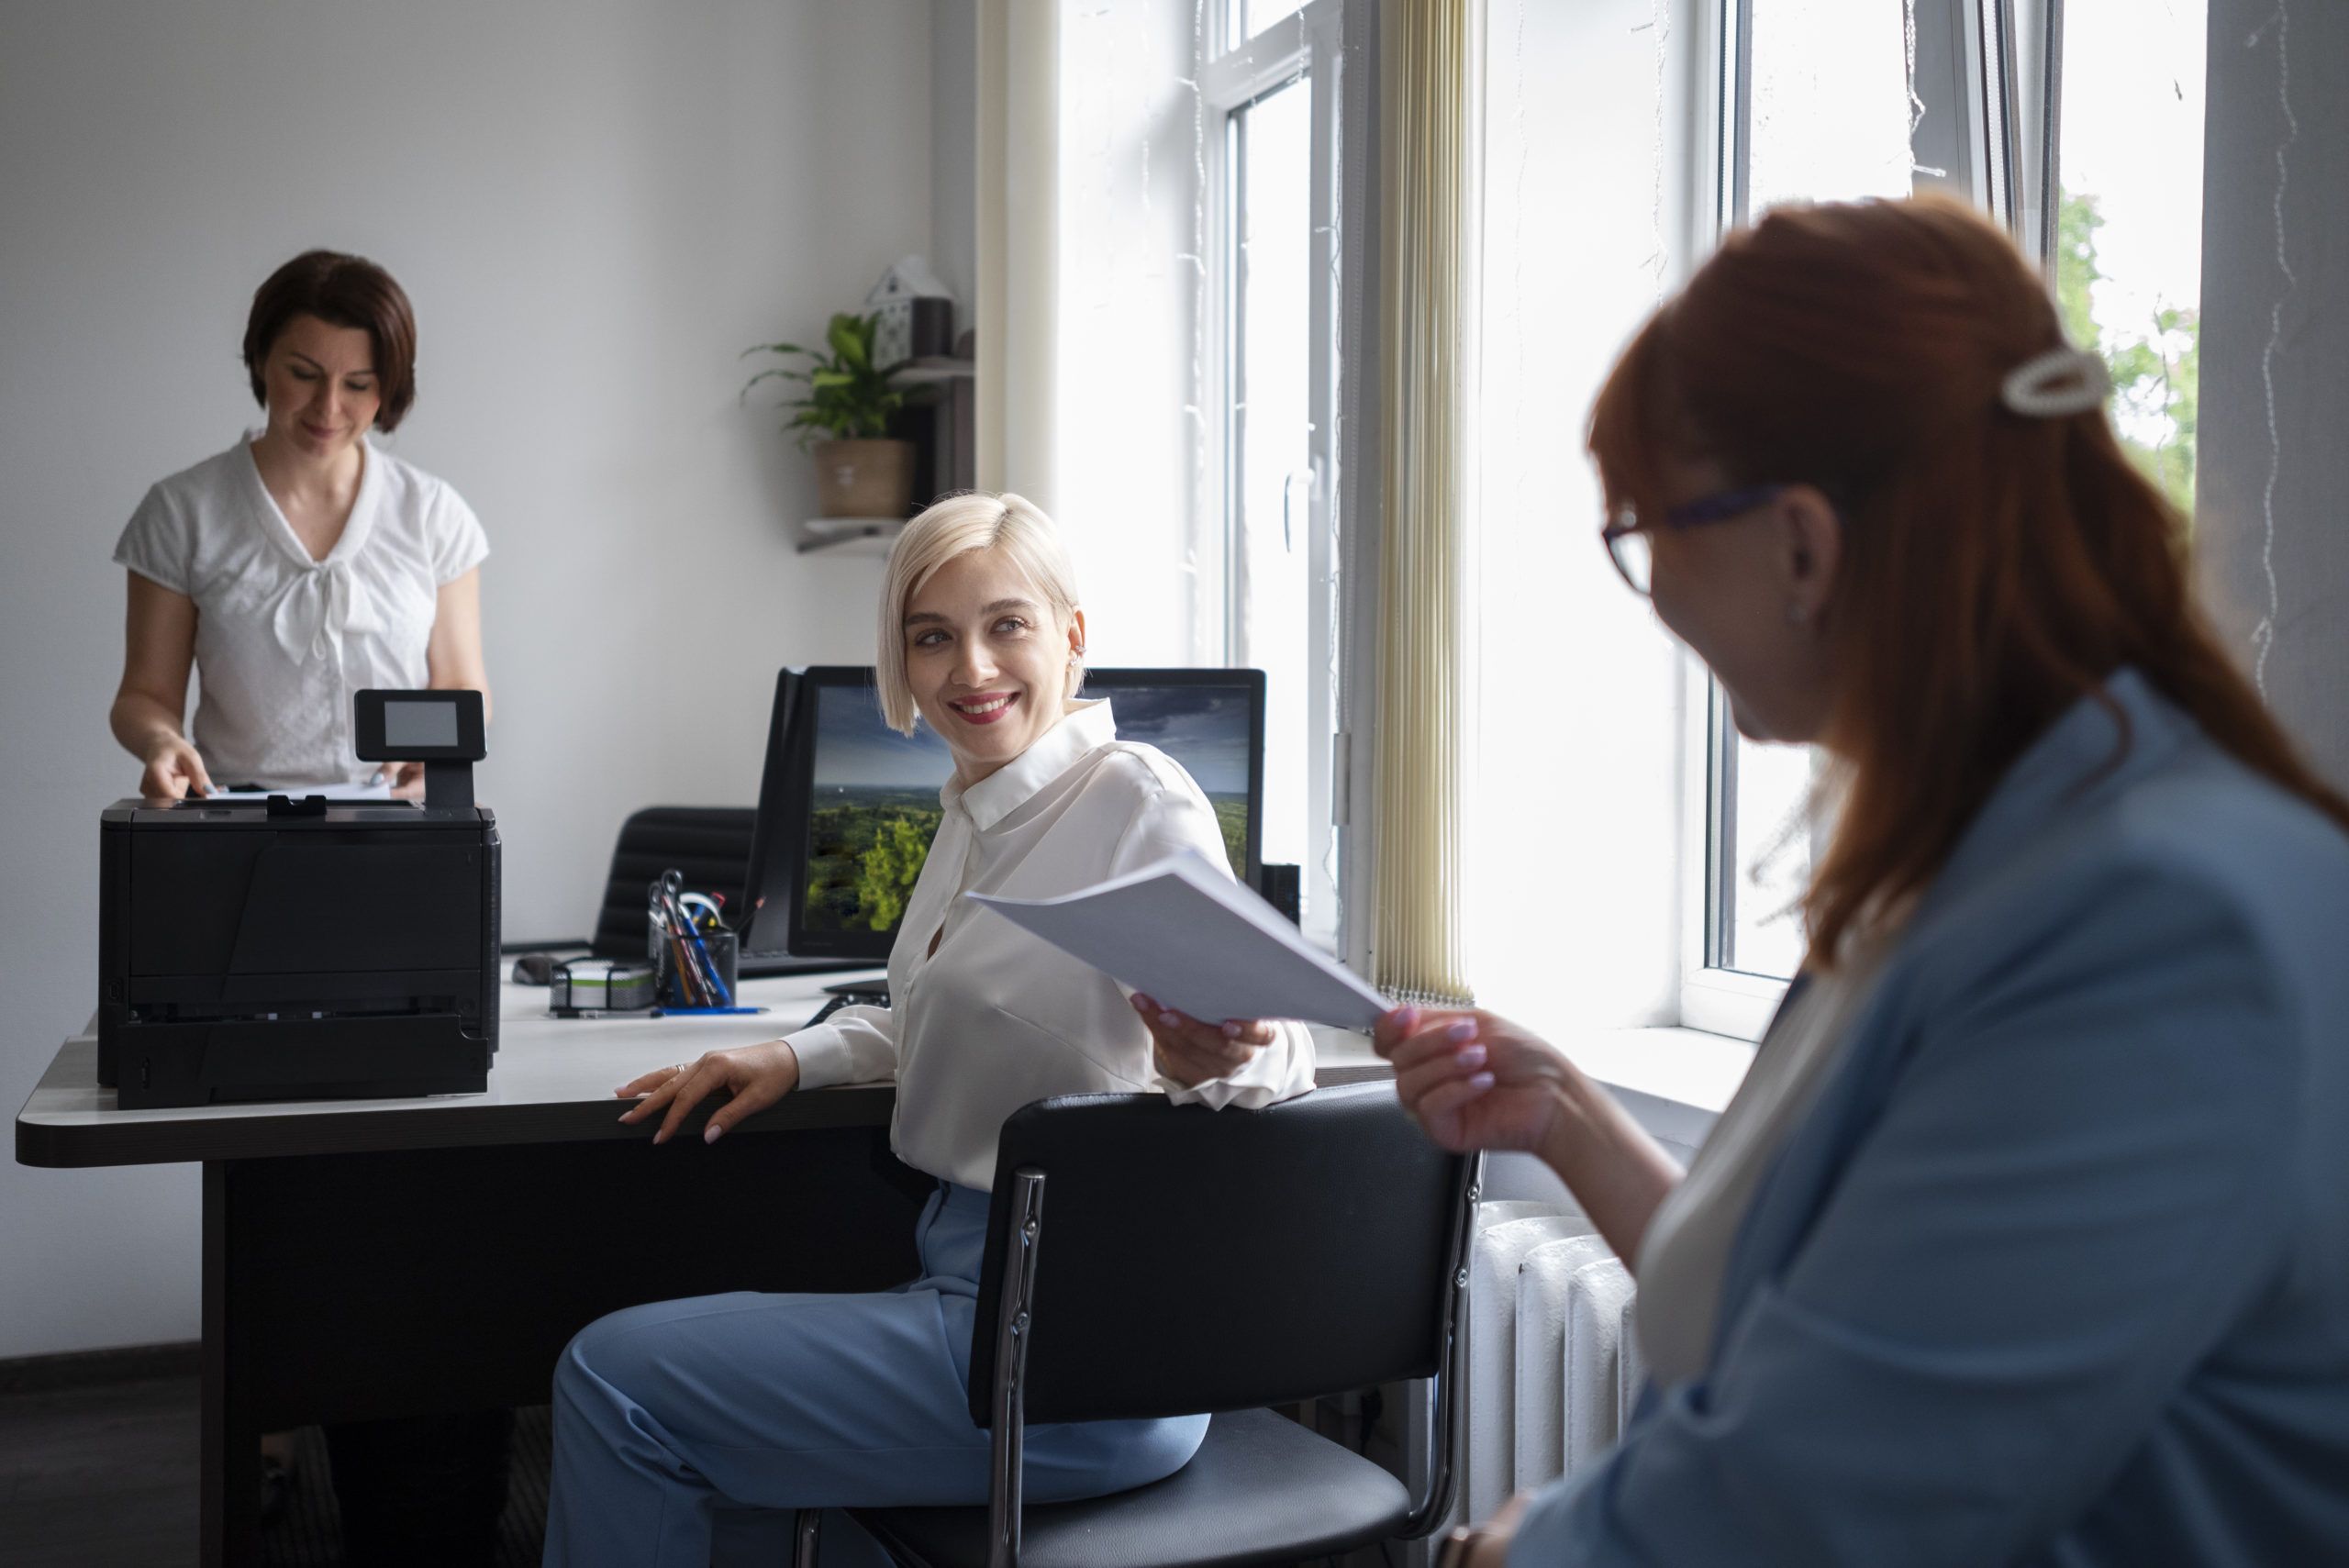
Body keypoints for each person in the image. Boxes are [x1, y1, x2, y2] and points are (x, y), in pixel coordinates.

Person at [1163, 195, 2349, 1567]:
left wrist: (1500, 1553)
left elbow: (1843, 1493)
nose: (1657, 594)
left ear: (1801, 544)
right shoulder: (1979, 854)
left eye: (1648, 532)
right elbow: (1830, 1326)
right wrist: (1568, 1119)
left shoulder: (2150, 928)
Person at [544, 491, 1316, 1566]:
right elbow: (937, 1012)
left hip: (1075, 1342)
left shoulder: (1131, 797)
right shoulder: (974, 808)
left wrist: (1228, 1050)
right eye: (933, 636)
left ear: (1072, 636)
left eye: (1007, 624)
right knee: (731, 1452)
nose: (971, 667)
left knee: (612, 1375)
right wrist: (793, 1053)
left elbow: (1274, 1044)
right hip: (984, 1290)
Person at [110, 249, 490, 799]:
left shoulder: (433, 513)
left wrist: (437, 752)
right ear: (261, 359)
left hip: (394, 814)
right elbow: (144, 695)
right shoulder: (182, 512)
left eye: (357, 384)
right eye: (304, 375)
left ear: (388, 386)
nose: (327, 408)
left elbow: (462, 686)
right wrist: (159, 740)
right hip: (236, 817)